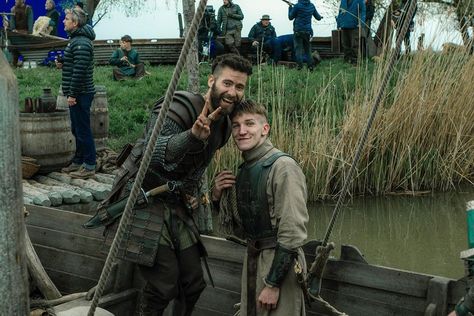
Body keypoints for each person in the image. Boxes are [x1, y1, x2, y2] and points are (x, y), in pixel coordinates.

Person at [99, 54, 252, 316]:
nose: (233, 92)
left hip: (174, 204)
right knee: (164, 283)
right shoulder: (178, 106)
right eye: (227, 83)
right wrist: (191, 137)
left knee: (193, 283)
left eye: (239, 87)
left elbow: (197, 166)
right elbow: (153, 152)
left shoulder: (224, 127)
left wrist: (191, 193)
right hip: (140, 197)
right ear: (211, 80)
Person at [212, 100, 309, 316]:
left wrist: (273, 284)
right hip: (254, 261)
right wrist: (218, 197)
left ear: (265, 129)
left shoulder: (283, 167)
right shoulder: (246, 169)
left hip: (280, 266)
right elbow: (238, 232)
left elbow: (293, 231)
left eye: (249, 124)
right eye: (236, 126)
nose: (242, 131)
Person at [56, 7, 96, 179]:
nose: (63, 21)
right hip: (78, 92)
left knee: (83, 129)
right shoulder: (76, 40)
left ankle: (89, 165)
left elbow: (79, 71)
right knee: (76, 128)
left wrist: (72, 94)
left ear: (75, 23)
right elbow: (76, 62)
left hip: (81, 92)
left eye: (66, 19)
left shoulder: (81, 42)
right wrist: (64, 61)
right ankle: (78, 161)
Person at [288, 0, 322, 71]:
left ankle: (300, 67)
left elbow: (290, 17)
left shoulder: (297, 6)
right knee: (308, 51)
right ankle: (310, 67)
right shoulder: (311, 6)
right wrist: (321, 17)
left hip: (298, 32)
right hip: (308, 32)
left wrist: (290, 7)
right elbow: (318, 18)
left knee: (298, 51)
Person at [336, 0, 366, 64]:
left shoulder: (359, 1)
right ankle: (347, 60)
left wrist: (361, 22)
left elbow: (363, 11)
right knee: (345, 44)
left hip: (355, 26)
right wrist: (338, 23)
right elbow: (340, 11)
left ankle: (356, 61)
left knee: (355, 44)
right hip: (344, 25)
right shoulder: (343, 1)